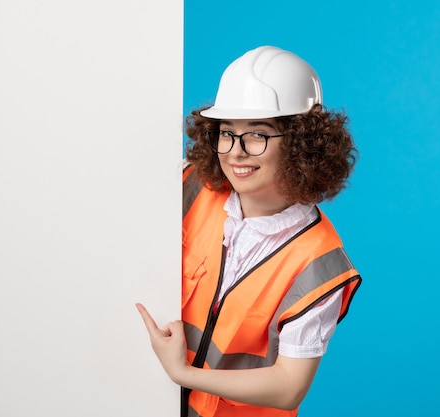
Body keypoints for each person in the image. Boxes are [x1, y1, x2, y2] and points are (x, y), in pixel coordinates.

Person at [137, 45, 362, 417]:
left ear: (301, 144)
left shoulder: (319, 263)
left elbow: (289, 387)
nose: (235, 152)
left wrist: (182, 373)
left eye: (256, 134)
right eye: (226, 132)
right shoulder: (190, 186)